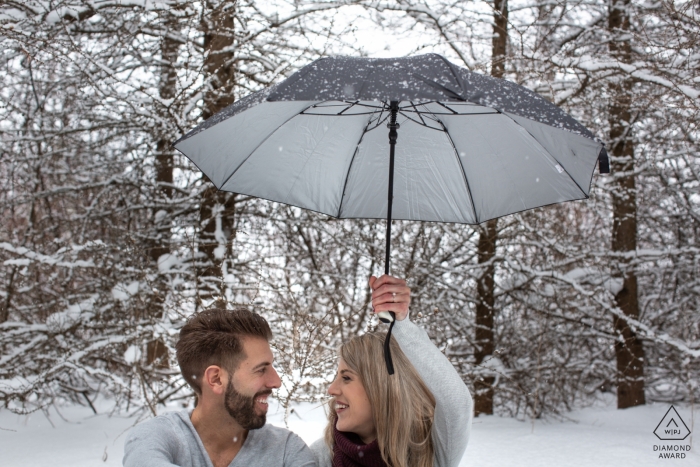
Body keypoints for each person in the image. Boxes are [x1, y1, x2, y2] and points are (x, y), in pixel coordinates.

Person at [310, 275, 473, 467]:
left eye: (346, 377)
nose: (331, 389)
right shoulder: (320, 458)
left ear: (381, 386)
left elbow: (456, 404)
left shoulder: (429, 451)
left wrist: (402, 326)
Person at [122, 308, 316, 467]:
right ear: (216, 379)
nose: (276, 381)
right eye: (261, 369)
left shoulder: (286, 450)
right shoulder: (155, 438)